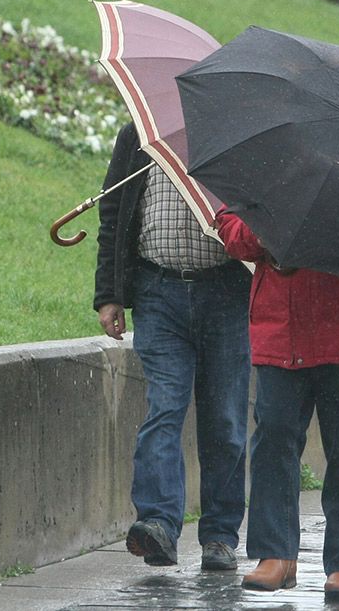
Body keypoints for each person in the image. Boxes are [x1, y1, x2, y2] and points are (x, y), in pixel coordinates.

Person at [215, 207, 339, 600]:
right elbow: (231, 230)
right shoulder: (264, 162)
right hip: (282, 328)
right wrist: (270, 230)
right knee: (272, 444)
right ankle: (275, 554)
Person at [93, 122, 252, 571]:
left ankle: (220, 536)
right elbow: (114, 213)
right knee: (164, 408)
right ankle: (158, 524)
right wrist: (110, 293)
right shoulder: (138, 136)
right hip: (157, 292)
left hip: (226, 294)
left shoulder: (234, 137)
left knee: (224, 419)